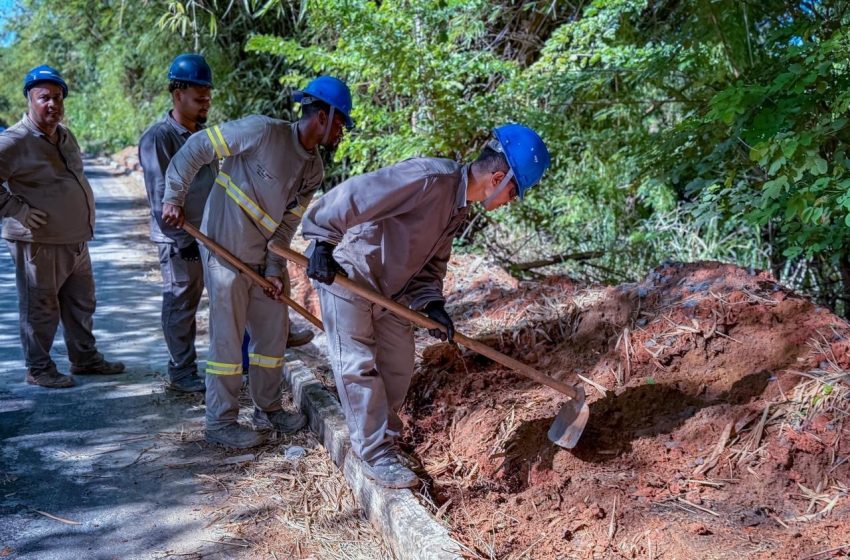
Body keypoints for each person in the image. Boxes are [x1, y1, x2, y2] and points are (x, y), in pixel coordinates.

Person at [301, 124, 550, 488]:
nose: (511, 201)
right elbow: (357, 192)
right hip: (350, 272)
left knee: (399, 365)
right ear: (498, 177)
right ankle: (373, 454)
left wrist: (431, 303)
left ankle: (385, 438)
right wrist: (322, 240)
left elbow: (432, 264)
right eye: (514, 192)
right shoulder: (429, 178)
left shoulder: (458, 208)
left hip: (391, 292)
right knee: (357, 366)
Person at [161, 76, 354, 448]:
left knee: (272, 330)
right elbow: (198, 146)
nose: (341, 132)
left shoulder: (313, 169)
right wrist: (174, 196)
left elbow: (286, 226)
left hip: (260, 257)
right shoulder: (262, 131)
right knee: (229, 341)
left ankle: (267, 408)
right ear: (323, 116)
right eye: (341, 122)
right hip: (222, 246)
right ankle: (220, 422)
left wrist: (272, 268)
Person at [0, 65, 125, 388]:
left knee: (81, 302)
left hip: (76, 239)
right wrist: (17, 210)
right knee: (41, 307)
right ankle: (39, 369)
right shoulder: (15, 140)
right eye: (44, 98)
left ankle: (84, 359)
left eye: (57, 97)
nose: (53, 104)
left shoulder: (65, 135)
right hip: (39, 243)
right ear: (30, 99)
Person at [139, 54, 216, 394]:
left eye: (208, 99)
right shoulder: (159, 138)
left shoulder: (204, 136)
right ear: (177, 94)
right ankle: (181, 371)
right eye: (199, 99)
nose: (205, 105)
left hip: (209, 234)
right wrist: (181, 238)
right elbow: (161, 197)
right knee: (182, 301)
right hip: (180, 240)